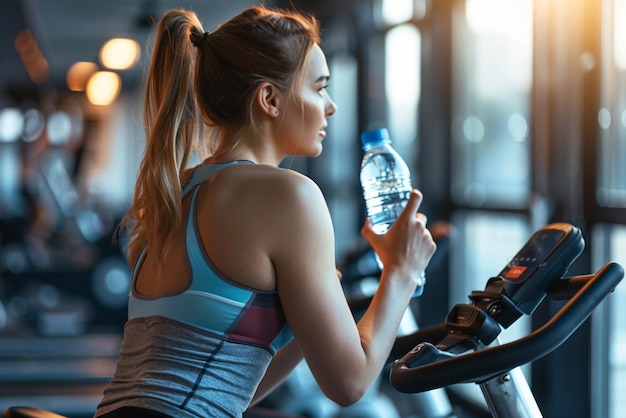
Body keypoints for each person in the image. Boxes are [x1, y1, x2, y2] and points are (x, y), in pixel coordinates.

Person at [94, 5, 436, 418]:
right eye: (319, 88)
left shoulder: (176, 189)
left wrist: (306, 325)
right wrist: (401, 269)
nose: (331, 107)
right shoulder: (291, 195)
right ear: (270, 99)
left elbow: (227, 387)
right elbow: (350, 383)